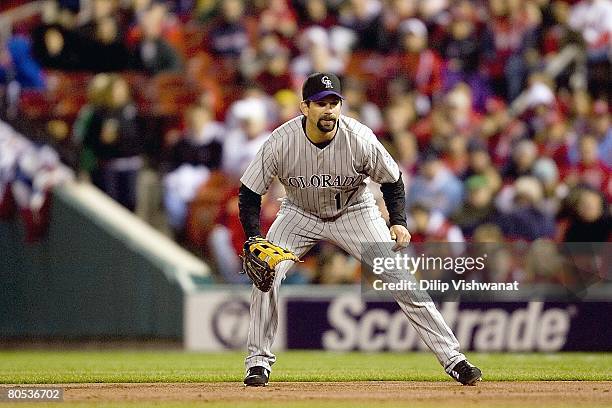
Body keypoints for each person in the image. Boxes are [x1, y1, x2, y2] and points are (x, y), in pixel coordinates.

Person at [238, 72, 482, 387]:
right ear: (304, 108)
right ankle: (258, 363)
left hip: (355, 212)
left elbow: (392, 180)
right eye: (320, 103)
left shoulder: (359, 138)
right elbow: (249, 193)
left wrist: (398, 220)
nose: (328, 110)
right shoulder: (281, 141)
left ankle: (454, 359)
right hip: (299, 213)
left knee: (399, 276)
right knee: (267, 274)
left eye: (333, 103)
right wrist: (256, 236)